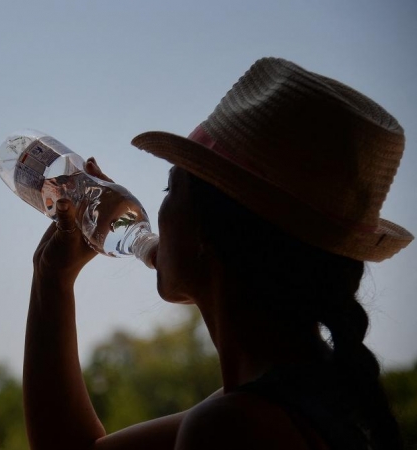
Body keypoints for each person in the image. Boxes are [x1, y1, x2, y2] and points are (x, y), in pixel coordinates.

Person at [23, 57, 411, 450]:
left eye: (169, 190)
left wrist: (50, 278)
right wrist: (51, 276)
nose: (154, 214)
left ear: (206, 235)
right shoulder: (319, 392)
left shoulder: (232, 428)